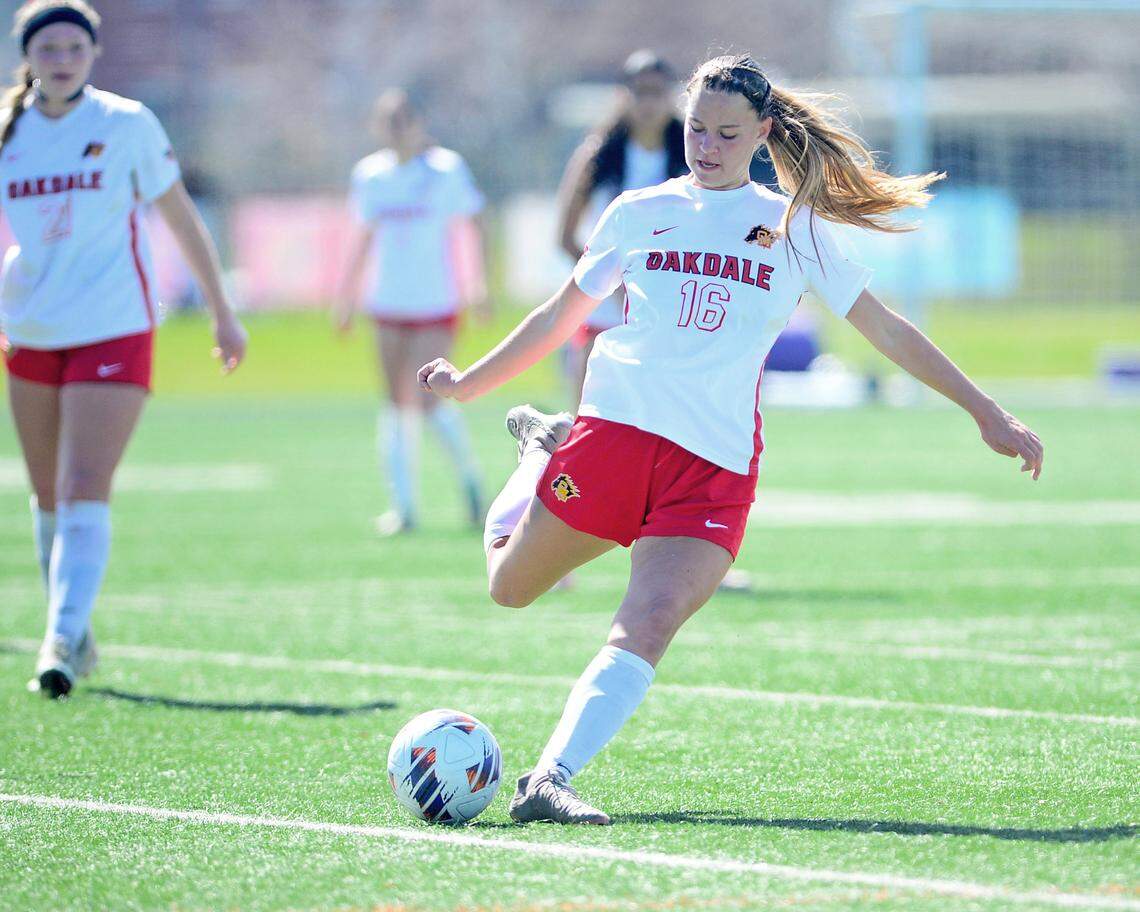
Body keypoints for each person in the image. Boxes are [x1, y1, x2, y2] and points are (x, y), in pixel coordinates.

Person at [419, 54, 1044, 825]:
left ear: (763, 134)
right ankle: (538, 459)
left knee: (648, 620)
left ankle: (550, 777)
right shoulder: (639, 211)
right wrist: (469, 383)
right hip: (613, 441)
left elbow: (884, 327)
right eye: (695, 129)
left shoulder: (793, 226)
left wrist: (984, 411)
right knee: (509, 590)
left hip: (710, 471)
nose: (705, 146)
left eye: (725, 133)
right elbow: (557, 317)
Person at [1, 0, 247, 699]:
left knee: (84, 486)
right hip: (31, 329)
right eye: (48, 47)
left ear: (92, 54)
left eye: (74, 47)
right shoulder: (8, 130)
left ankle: (56, 639)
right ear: (29, 56)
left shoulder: (126, 124)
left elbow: (180, 216)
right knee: (47, 495)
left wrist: (223, 312)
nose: (61, 59)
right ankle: (75, 630)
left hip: (113, 326)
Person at [335, 89, 488, 536]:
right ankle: (403, 507)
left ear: (419, 122)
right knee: (393, 403)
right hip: (387, 304)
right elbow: (362, 236)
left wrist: (478, 284)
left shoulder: (446, 170)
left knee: (426, 400)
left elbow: (475, 220)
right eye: (390, 121)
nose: (399, 128)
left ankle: (470, 483)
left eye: (405, 119)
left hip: (435, 303)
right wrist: (345, 296)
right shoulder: (371, 175)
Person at [555, 50, 689, 408]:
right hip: (603, 306)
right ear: (623, 95)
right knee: (588, 415)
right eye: (639, 90)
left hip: (664, 307)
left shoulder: (690, 156)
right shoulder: (598, 154)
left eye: (657, 91)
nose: (648, 101)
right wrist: (609, 282)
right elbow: (565, 236)